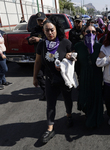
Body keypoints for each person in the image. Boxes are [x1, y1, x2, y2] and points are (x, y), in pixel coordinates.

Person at [33, 15, 73, 143]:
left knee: (68, 100)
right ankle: (50, 129)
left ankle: (69, 116)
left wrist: (70, 56)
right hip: (50, 79)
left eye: (52, 30)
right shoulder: (42, 44)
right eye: (47, 30)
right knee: (50, 104)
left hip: (64, 79)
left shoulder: (66, 43)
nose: (50, 33)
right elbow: (38, 61)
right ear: (43, 31)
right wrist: (35, 77)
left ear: (57, 29)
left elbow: (74, 58)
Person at [74, 25, 104, 128]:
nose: (90, 34)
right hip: (84, 76)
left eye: (94, 32)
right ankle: (88, 114)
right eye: (88, 31)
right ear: (83, 33)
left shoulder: (99, 46)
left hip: (96, 75)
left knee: (96, 98)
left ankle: (95, 120)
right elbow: (75, 64)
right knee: (85, 98)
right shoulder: (78, 46)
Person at [27, 12, 47, 100]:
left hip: (49, 55)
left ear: (45, 19)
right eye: (39, 20)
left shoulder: (49, 28)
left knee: (52, 75)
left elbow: (53, 40)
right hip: (39, 55)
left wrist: (40, 40)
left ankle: (52, 91)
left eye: (42, 20)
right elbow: (29, 38)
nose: (41, 22)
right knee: (39, 75)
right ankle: (46, 91)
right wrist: (30, 40)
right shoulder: (35, 29)